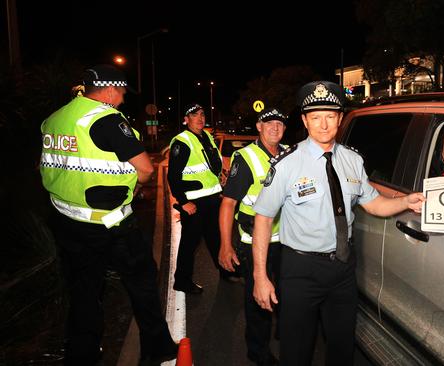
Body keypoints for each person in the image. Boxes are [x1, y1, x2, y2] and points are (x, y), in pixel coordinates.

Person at [251, 81, 426, 366]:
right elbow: (263, 218)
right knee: (296, 351)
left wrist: (406, 202)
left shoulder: (352, 160)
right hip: (300, 271)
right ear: (305, 121)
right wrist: (260, 276)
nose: (323, 124)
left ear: (340, 119)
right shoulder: (286, 164)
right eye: (316, 117)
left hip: (343, 269)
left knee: (343, 348)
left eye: (330, 116)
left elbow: (374, 203)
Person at [39, 64, 177, 365]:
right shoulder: (106, 119)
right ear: (111, 89)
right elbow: (145, 168)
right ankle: (159, 347)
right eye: (123, 92)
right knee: (142, 282)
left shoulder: (56, 119)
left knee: (85, 292)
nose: (124, 99)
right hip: (111, 224)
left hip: (68, 222)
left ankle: (82, 355)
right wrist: (135, 189)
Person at [218, 107, 288, 366]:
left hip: (285, 239)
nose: (275, 127)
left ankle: (285, 332)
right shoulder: (246, 158)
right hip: (253, 242)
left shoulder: (289, 153)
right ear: (259, 126)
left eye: (280, 123)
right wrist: (226, 246)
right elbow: (228, 204)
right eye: (269, 123)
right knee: (258, 299)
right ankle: (257, 351)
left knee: (286, 290)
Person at [168, 103, 231, 294]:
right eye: (194, 115)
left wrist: (220, 182)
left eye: (202, 114)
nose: (200, 118)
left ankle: (226, 270)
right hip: (194, 203)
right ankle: (182, 281)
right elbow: (173, 176)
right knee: (190, 244)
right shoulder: (182, 141)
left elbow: (212, 167)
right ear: (186, 119)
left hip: (212, 199)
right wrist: (183, 202)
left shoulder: (207, 137)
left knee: (215, 238)